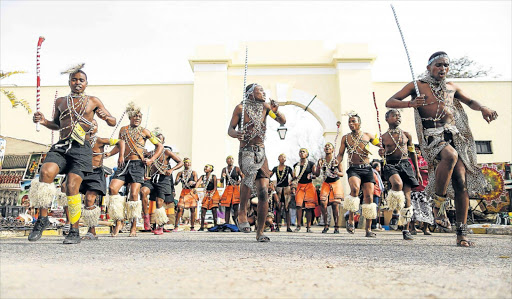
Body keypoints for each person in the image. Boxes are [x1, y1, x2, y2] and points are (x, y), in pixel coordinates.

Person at [386, 51, 497, 247]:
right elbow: (390, 102)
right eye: (438, 65)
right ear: (429, 67)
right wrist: (411, 103)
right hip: (432, 136)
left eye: (446, 65)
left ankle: (461, 233)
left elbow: (470, 102)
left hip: (454, 135)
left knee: (460, 182)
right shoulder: (417, 85)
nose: (443, 68)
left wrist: (483, 108)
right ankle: (437, 204)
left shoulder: (452, 87)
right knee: (450, 155)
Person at [28, 65, 116, 244]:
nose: (77, 83)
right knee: (45, 172)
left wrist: (106, 118)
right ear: (69, 82)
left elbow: (112, 120)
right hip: (61, 146)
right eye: (74, 80)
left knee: (71, 185)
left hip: (81, 148)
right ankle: (42, 219)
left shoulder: (93, 101)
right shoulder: (61, 101)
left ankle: (74, 230)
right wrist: (43, 121)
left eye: (81, 80)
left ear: (86, 83)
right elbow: (56, 124)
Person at [227, 83, 286, 242]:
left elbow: (282, 121)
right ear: (250, 94)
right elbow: (230, 129)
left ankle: (260, 232)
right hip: (246, 151)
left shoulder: (266, 108)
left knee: (263, 192)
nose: (264, 93)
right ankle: (242, 212)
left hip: (261, 152)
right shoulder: (240, 108)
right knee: (249, 174)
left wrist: (276, 111)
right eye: (261, 91)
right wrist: (236, 134)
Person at [107, 102, 163, 237]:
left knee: (134, 195)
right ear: (130, 117)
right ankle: (118, 220)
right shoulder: (123, 130)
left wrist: (151, 159)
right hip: (123, 164)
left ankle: (133, 226)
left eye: (140, 116)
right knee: (113, 189)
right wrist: (109, 154)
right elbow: (119, 145)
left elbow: (159, 146)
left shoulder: (145, 131)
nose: (138, 118)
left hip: (137, 165)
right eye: (135, 116)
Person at [336, 112, 381, 237]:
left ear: (359, 123)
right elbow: (340, 154)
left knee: (369, 198)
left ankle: (368, 229)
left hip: (367, 169)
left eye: (353, 121)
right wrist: (336, 161)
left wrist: (383, 147)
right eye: (349, 122)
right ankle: (350, 219)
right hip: (353, 169)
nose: (351, 124)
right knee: (354, 190)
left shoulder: (367, 136)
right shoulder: (345, 138)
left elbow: (381, 145)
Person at [379, 109, 421, 240]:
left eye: (399, 115)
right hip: (391, 165)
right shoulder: (383, 137)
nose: (397, 117)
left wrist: (417, 171)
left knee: (407, 198)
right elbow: (382, 152)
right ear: (387, 119)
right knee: (397, 184)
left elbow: (412, 153)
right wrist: (381, 153)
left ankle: (406, 229)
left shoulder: (407, 135)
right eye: (394, 115)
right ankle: (395, 212)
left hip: (406, 165)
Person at [80, 119, 125, 240]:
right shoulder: (80, 140)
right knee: (74, 196)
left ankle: (91, 231)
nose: (91, 126)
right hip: (83, 173)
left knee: (89, 199)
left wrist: (118, 155)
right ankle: (71, 226)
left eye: (94, 124)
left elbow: (120, 142)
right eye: (89, 124)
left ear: (97, 128)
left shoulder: (100, 140)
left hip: (96, 173)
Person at [140, 129, 183, 235]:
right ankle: (146, 219)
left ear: (163, 142)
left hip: (163, 180)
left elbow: (180, 162)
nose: (158, 140)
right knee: (143, 191)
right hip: (151, 179)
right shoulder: (150, 154)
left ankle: (160, 226)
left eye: (160, 139)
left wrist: (171, 170)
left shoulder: (167, 152)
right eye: (156, 139)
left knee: (160, 202)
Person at [315, 143, 344, 234]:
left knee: (335, 205)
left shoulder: (336, 160)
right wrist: (318, 166)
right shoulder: (321, 161)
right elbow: (317, 174)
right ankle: (326, 225)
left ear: (332, 149)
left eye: (329, 146)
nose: (327, 147)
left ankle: (336, 226)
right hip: (326, 183)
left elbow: (342, 173)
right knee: (323, 203)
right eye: (326, 146)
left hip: (335, 183)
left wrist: (336, 172)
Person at [292, 148, 318, 233]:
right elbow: (294, 176)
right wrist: (293, 178)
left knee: (309, 207)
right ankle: (298, 226)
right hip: (300, 186)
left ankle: (308, 227)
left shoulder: (311, 164)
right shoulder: (296, 165)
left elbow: (315, 175)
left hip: (309, 186)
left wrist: (310, 176)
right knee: (299, 206)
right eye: (300, 152)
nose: (302, 153)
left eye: (304, 152)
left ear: (307, 154)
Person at [409, 144, 434, 235]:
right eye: (414, 150)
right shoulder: (408, 161)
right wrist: (420, 169)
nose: (417, 151)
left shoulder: (426, 161)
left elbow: (431, 170)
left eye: (418, 150)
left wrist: (419, 169)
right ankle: (412, 228)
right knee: (412, 210)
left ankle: (426, 228)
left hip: (424, 189)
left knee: (427, 209)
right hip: (412, 190)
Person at [269, 154, 294, 232]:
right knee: (278, 208)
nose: (282, 159)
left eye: (284, 157)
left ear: (285, 159)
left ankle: (288, 226)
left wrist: (291, 184)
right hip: (278, 190)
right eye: (281, 157)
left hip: (286, 190)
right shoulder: (275, 168)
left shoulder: (288, 168)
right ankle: (277, 226)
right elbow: (269, 176)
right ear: (278, 159)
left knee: (287, 208)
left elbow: (294, 177)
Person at [174, 158, 199, 231]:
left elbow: (196, 182)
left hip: (191, 192)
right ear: (184, 164)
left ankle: (192, 227)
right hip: (184, 191)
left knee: (192, 209)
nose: (188, 164)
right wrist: (178, 180)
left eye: (189, 163)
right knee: (180, 208)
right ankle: (176, 226)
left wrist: (193, 182)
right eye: (186, 163)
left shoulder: (193, 172)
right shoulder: (180, 173)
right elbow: (175, 183)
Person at [220, 156, 243, 226]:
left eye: (232, 159)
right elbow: (221, 181)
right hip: (228, 188)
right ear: (227, 161)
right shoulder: (224, 169)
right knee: (227, 206)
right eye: (229, 159)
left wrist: (240, 182)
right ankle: (227, 223)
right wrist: (222, 177)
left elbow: (243, 176)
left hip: (236, 188)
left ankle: (236, 224)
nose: (231, 160)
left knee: (236, 206)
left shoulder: (237, 168)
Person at [196, 164, 219, 231]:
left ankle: (216, 226)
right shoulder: (203, 177)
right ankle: (202, 227)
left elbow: (215, 187)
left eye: (207, 167)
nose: (205, 168)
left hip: (213, 194)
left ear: (211, 169)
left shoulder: (213, 176)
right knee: (203, 209)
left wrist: (212, 193)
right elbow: (198, 183)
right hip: (206, 193)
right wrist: (195, 188)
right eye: (205, 167)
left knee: (214, 210)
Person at [371, 161, 384, 231]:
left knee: (376, 208)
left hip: (377, 192)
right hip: (374, 192)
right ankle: (373, 225)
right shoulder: (373, 173)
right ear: (376, 167)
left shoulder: (376, 173)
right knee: (374, 209)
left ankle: (374, 224)